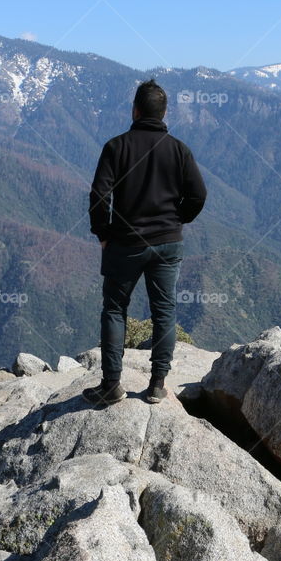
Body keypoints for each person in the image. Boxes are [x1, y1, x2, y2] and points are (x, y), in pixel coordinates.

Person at [84, 79, 207, 406]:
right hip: (168, 243)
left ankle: (111, 384)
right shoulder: (179, 150)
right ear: (164, 113)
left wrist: (104, 233)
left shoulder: (116, 147)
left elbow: (99, 195)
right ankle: (157, 384)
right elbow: (198, 195)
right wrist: (177, 220)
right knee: (164, 311)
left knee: (114, 309)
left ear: (135, 110)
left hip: (124, 243)